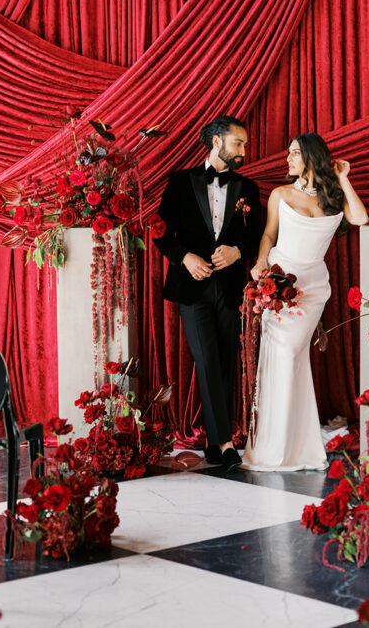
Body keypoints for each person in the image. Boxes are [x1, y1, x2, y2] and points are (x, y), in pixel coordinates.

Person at [242, 133, 368, 471]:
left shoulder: (333, 197)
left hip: (313, 288)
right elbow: (269, 234)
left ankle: (297, 445)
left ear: (312, 157)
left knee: (292, 354)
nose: (288, 159)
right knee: (284, 354)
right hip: (279, 282)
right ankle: (276, 444)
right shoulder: (281, 195)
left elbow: (360, 219)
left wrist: (342, 177)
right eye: (289, 154)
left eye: (295, 153)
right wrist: (260, 262)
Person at [154, 116, 263, 472]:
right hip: (192, 286)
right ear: (217, 142)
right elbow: (159, 231)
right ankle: (225, 442)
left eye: (244, 145)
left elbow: (256, 236)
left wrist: (237, 252)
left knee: (226, 361)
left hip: (230, 285)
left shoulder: (248, 188)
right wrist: (184, 257)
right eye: (238, 143)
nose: (243, 151)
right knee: (207, 358)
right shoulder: (180, 181)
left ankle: (215, 444)